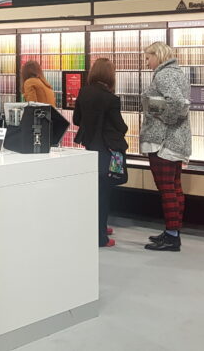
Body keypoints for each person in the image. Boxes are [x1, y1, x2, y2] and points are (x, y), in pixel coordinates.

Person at [140, 41, 192, 252]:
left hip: (162, 142)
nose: (147, 63)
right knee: (175, 187)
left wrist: (165, 117)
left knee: (167, 190)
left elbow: (177, 103)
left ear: (158, 55)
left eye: (148, 58)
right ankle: (173, 232)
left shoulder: (163, 75)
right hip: (176, 141)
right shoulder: (178, 73)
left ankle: (171, 237)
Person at [73, 58, 129, 248]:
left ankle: (99, 227)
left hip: (90, 147)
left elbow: (77, 119)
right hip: (108, 149)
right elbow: (120, 126)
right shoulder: (111, 99)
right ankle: (100, 236)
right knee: (104, 192)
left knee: (95, 191)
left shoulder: (84, 92)